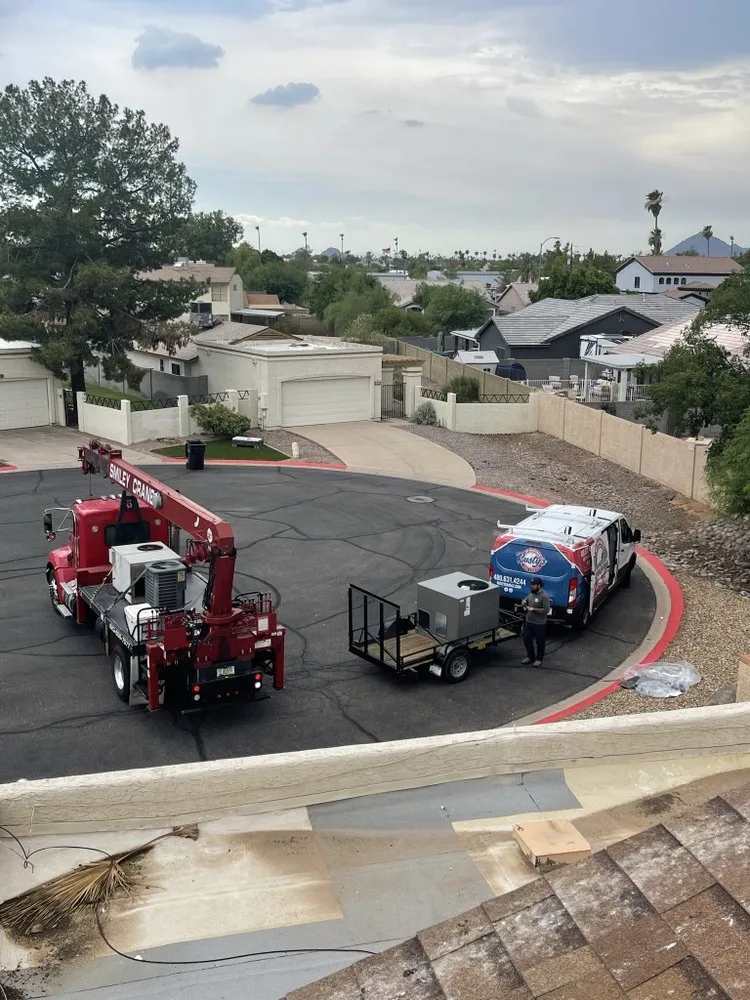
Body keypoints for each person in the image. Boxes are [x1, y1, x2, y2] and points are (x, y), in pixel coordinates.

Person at [521, 577, 550, 666]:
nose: (532, 586)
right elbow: (526, 598)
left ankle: (539, 658)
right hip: (529, 621)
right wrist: (524, 601)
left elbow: (546, 610)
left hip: (539, 623)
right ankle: (530, 656)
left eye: (534, 585)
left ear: (539, 586)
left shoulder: (544, 596)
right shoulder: (531, 593)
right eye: (531, 585)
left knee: (540, 642)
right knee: (526, 639)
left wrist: (534, 609)